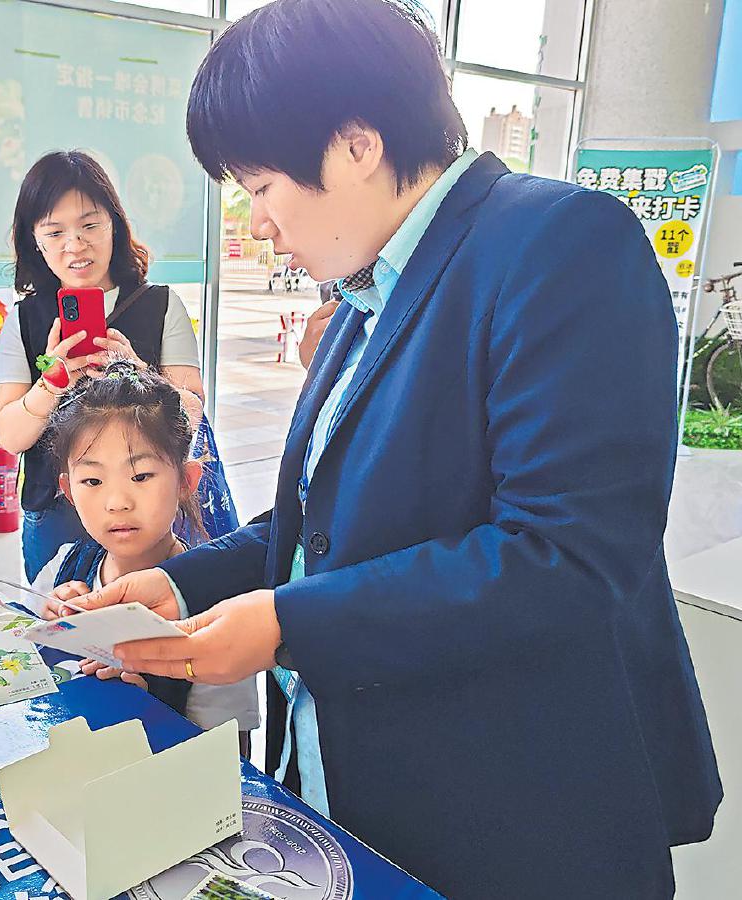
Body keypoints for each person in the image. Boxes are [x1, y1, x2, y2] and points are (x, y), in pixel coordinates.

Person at [65, 2, 722, 898]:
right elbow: (319, 524)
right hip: (368, 787)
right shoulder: (370, 288)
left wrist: (289, 624)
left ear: (356, 145)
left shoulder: (561, 244)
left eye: (261, 186)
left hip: (513, 808)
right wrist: (184, 583)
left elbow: (564, 556)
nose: (258, 224)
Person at [0, 151, 207, 583]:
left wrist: (140, 374)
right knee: (62, 613)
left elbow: (193, 413)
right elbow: (11, 436)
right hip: (56, 510)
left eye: (90, 225)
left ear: (115, 224)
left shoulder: (161, 306)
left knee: (154, 614)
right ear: (35, 240)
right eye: (55, 232)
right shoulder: (24, 320)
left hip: (147, 506)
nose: (75, 245)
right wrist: (51, 383)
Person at [38, 357, 260, 749]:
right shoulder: (62, 570)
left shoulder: (216, 613)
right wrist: (48, 633)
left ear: (186, 481)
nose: (117, 502)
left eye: (141, 476)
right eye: (92, 480)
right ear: (69, 490)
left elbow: (229, 757)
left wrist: (143, 709)